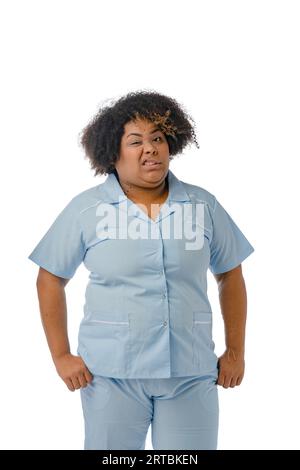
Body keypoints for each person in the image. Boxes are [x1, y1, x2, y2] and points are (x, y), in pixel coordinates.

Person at [28, 90, 255, 450]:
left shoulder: (203, 205)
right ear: (112, 153)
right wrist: (61, 356)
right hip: (111, 375)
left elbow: (230, 274)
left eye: (158, 139)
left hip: (190, 373)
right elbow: (50, 278)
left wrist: (235, 352)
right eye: (135, 141)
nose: (150, 148)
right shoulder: (87, 210)